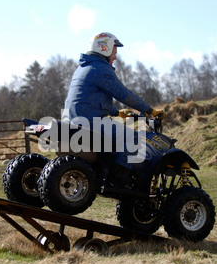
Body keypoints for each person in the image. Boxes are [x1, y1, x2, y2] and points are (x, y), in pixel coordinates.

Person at [61, 32, 164, 185]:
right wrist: (150, 110)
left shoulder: (83, 67)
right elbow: (124, 94)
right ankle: (117, 181)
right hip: (90, 123)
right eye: (114, 52)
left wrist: (117, 112)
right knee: (136, 138)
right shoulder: (100, 68)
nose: (115, 56)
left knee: (118, 135)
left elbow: (90, 100)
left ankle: (107, 172)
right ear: (105, 49)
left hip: (72, 120)